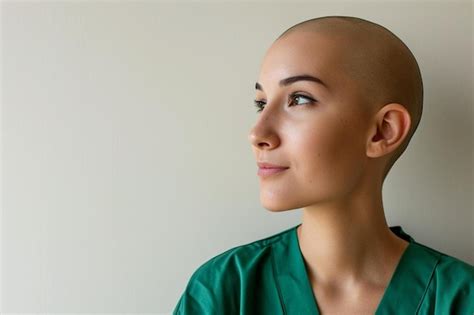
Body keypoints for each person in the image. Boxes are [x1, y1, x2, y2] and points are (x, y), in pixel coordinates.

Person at [172, 15, 474, 314]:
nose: (257, 133)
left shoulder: (461, 299)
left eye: (300, 99)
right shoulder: (224, 290)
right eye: (261, 104)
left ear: (383, 131)